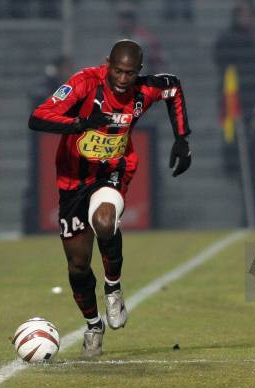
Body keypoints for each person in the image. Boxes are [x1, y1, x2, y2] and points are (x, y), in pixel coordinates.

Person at [28, 39, 191, 358]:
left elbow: (173, 87)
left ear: (138, 71)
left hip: (112, 172)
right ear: (107, 64)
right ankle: (93, 326)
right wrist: (79, 123)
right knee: (77, 265)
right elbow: (38, 117)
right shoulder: (83, 83)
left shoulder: (144, 91)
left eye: (130, 73)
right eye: (117, 70)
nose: (123, 78)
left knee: (104, 221)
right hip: (73, 180)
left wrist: (182, 138)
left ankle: (113, 288)